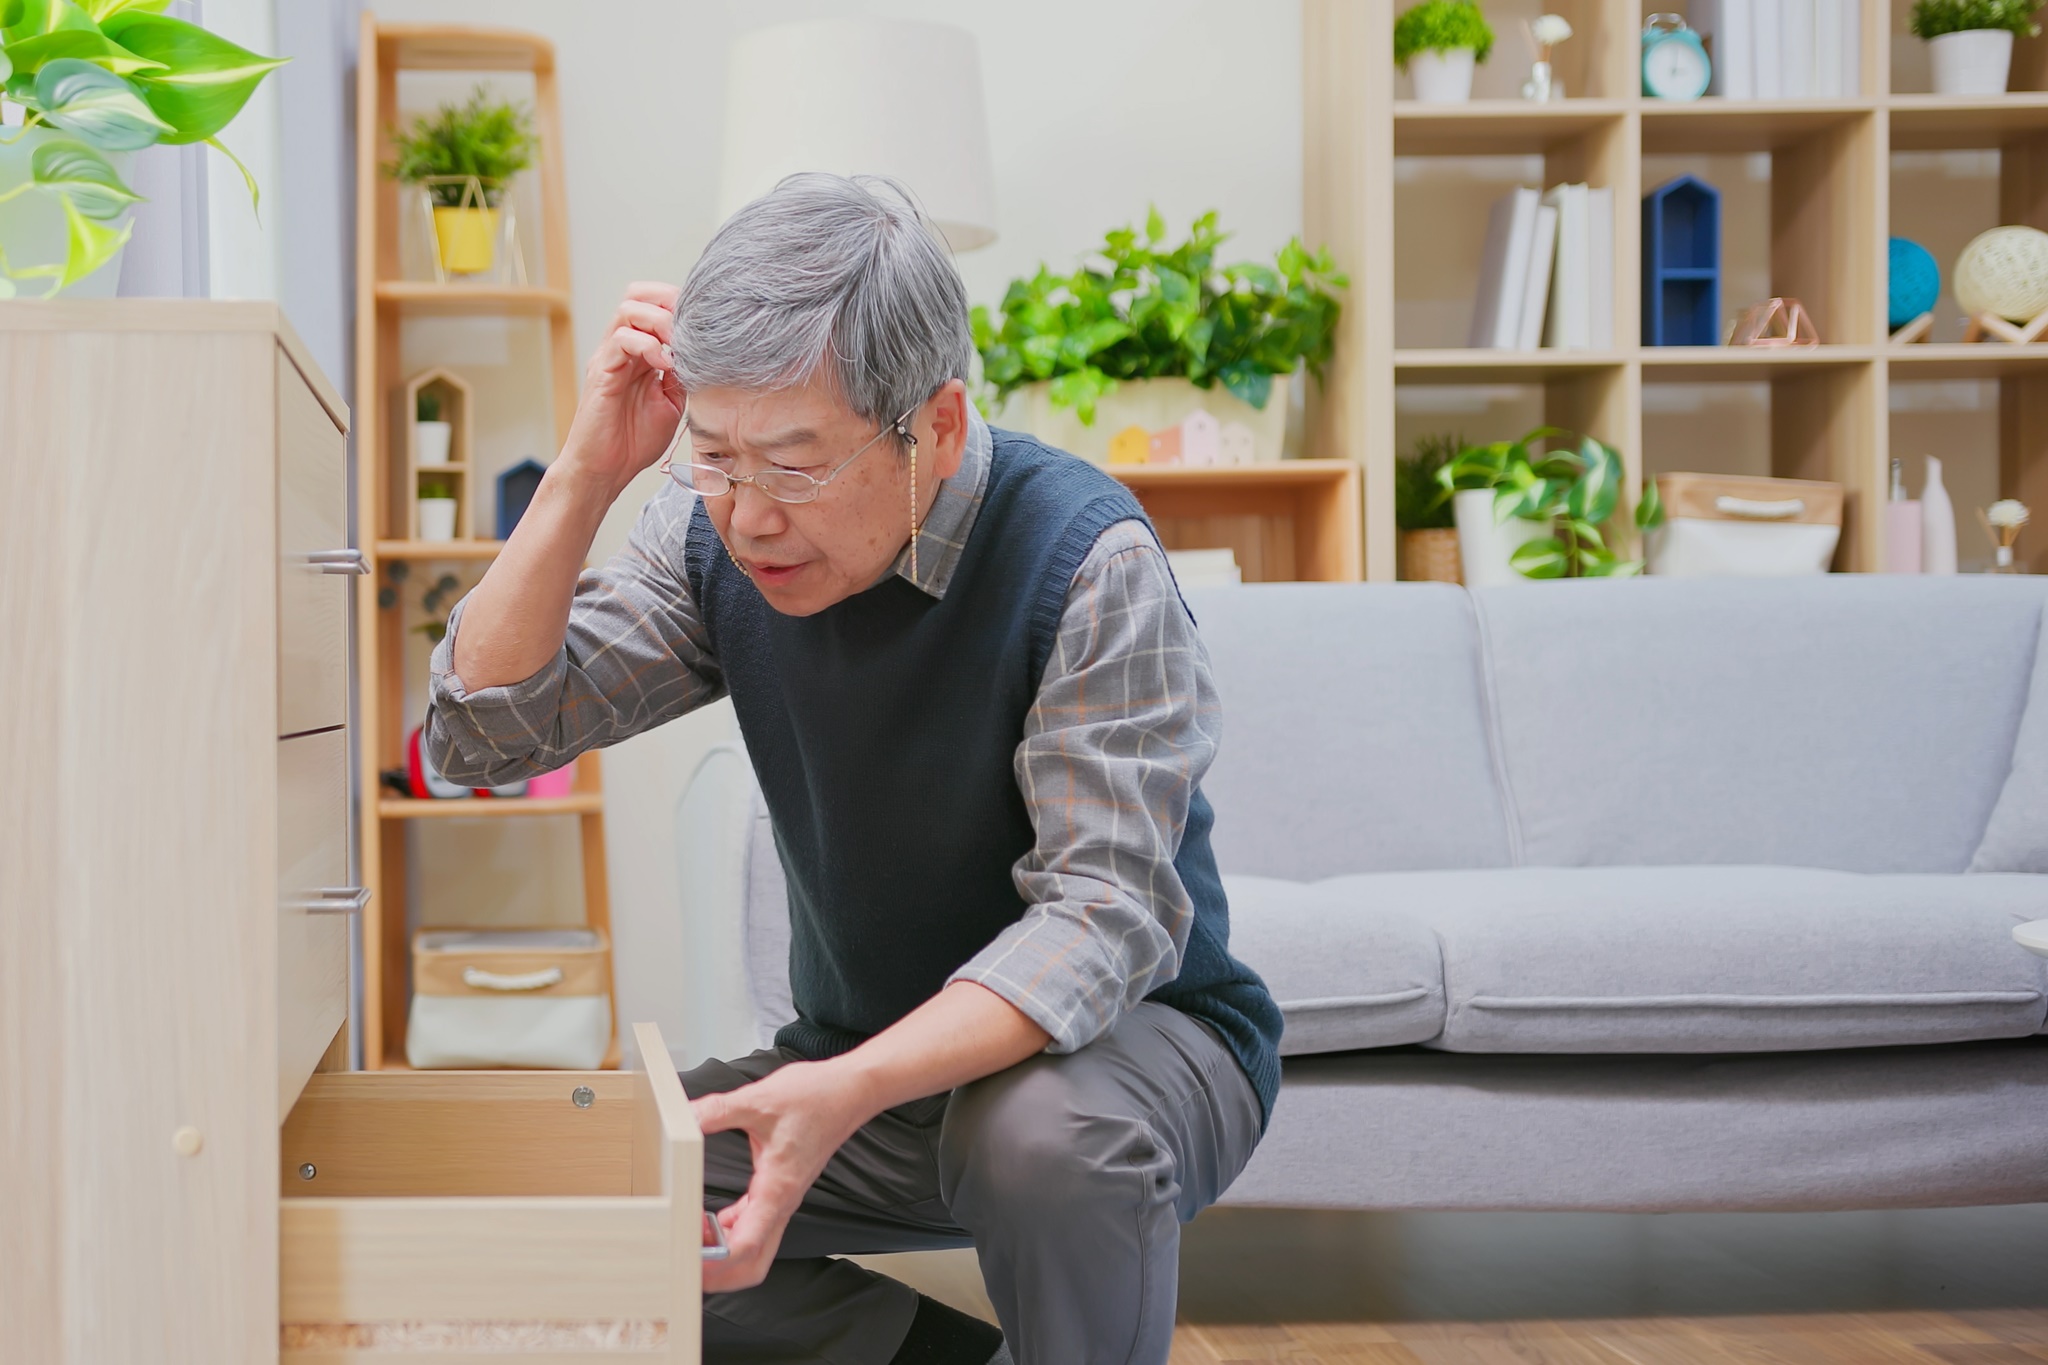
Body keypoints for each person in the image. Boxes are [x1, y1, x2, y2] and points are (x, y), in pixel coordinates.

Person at [425, 172, 1281, 1365]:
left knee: (1028, 1135)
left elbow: (1102, 918)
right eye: (713, 455)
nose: (748, 515)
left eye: (791, 462)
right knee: (572, 1197)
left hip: (1126, 1054)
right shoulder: (713, 532)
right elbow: (480, 736)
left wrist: (848, 1088)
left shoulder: (1086, 560)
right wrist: (588, 470)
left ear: (932, 423)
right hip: (865, 1062)